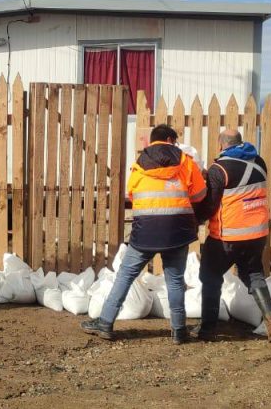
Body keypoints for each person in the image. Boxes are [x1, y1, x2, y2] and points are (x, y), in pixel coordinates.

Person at [81, 124, 206, 344]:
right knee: (175, 281)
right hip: (177, 230)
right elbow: (200, 194)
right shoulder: (186, 161)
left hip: (145, 231)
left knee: (125, 276)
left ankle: (105, 323)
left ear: (153, 140)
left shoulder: (139, 164)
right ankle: (178, 331)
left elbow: (131, 193)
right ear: (169, 139)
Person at [193, 129, 271, 342]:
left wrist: (195, 219)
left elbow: (210, 204)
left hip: (228, 235)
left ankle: (207, 329)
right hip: (257, 233)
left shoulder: (220, 169)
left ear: (221, 144)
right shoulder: (260, 163)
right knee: (254, 274)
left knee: (210, 277)